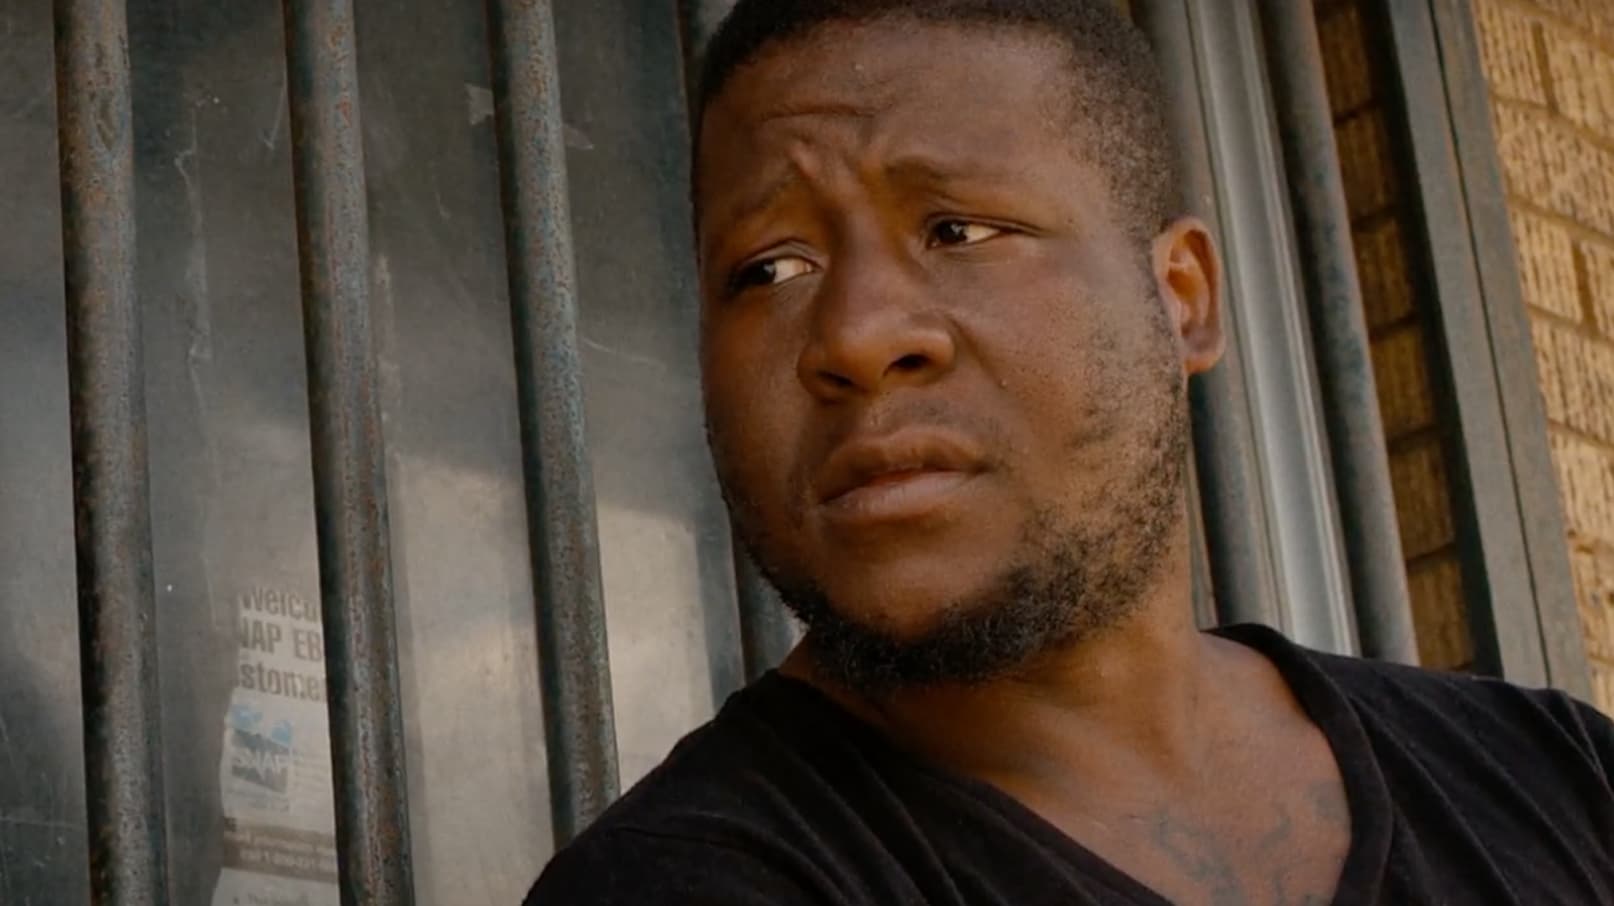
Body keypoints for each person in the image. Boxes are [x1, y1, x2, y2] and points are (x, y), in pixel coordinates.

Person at [526, 1, 1614, 903]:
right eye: (769, 269)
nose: (854, 337)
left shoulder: (1561, 777)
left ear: (1180, 298)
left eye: (958, 230)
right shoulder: (680, 881)